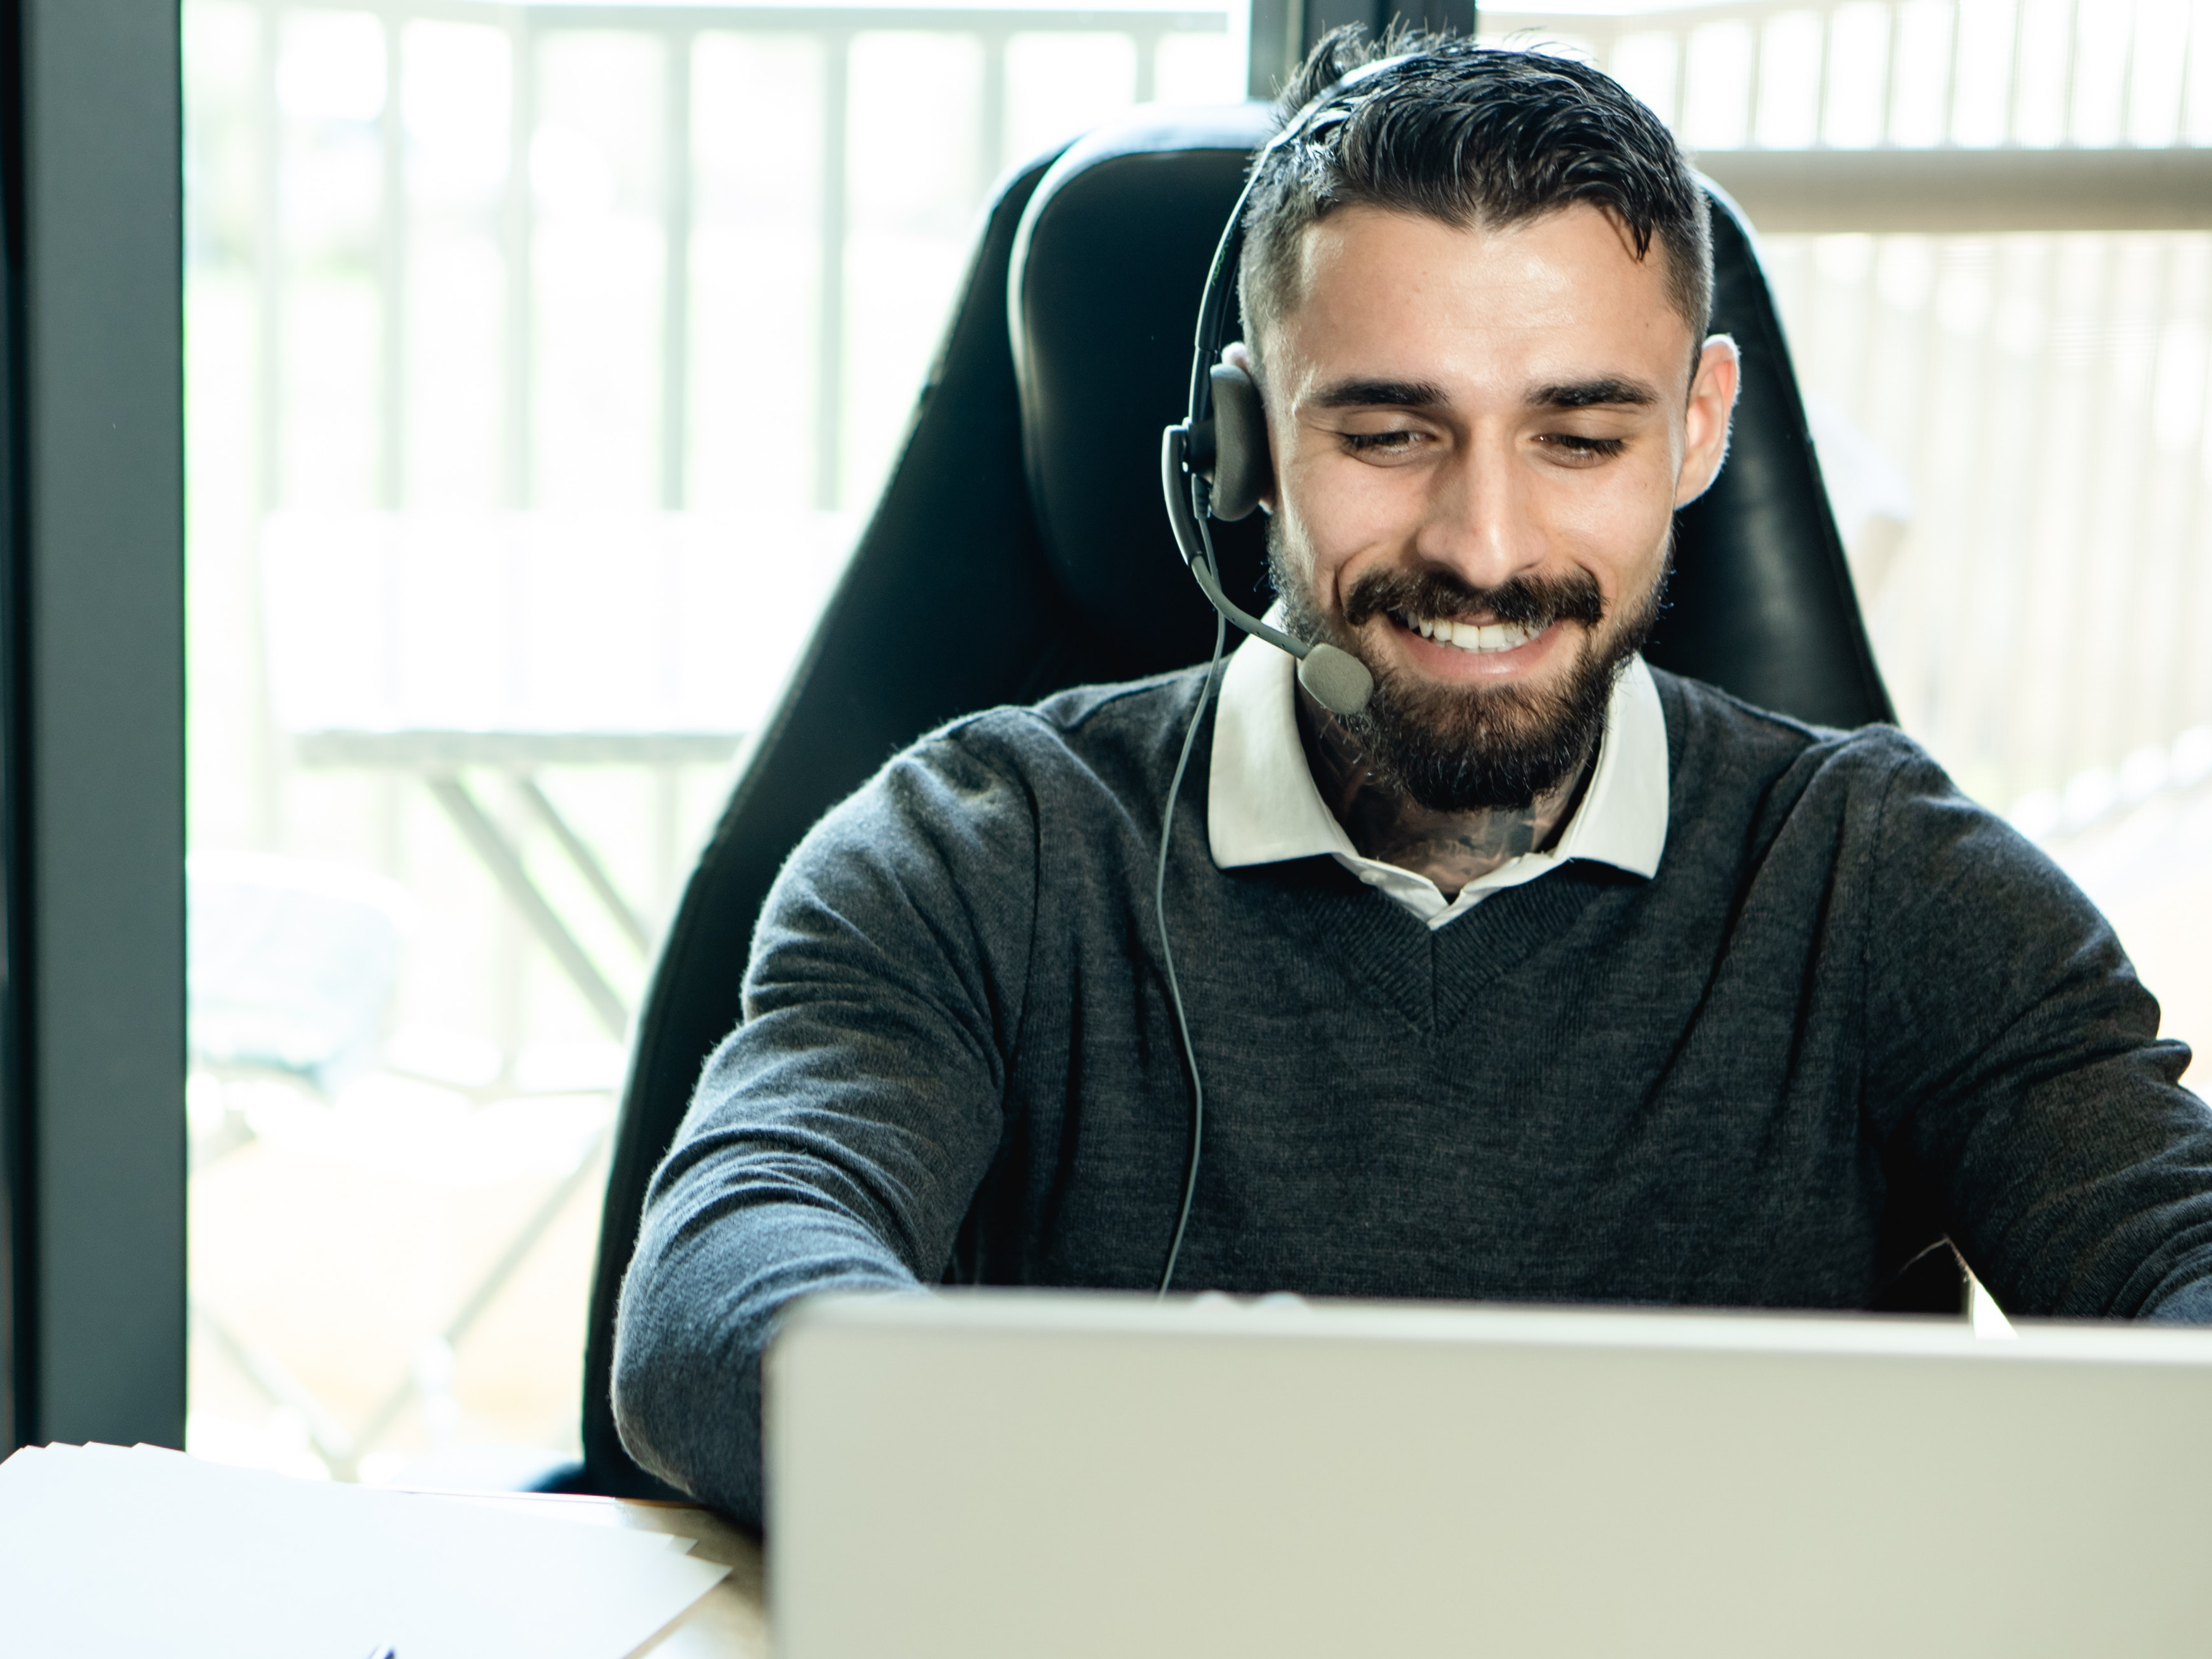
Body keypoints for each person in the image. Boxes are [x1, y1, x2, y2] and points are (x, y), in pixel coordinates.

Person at [611, 33, 2212, 1525]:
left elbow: (2178, 1258)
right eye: (1388, 433)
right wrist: (1155, 1497)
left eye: (1579, 438)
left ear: (1698, 433)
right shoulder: (979, 848)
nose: (1484, 547)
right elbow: (721, 1283)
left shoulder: (1891, 878)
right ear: (1240, 444)